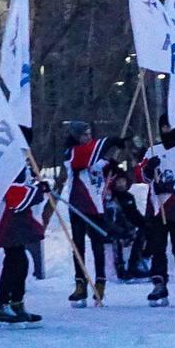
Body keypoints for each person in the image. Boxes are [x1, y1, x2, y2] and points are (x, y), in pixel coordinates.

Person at [136, 115, 175, 306]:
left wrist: (171, 186)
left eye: (170, 126)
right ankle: (159, 282)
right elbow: (139, 174)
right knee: (157, 246)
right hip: (156, 207)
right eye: (164, 127)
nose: (167, 131)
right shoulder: (153, 150)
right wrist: (148, 170)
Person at [60, 121, 122, 307]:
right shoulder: (71, 153)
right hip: (78, 204)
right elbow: (85, 157)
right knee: (78, 244)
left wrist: (114, 166)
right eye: (84, 135)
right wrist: (110, 141)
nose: (88, 138)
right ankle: (80, 284)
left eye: (89, 134)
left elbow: (106, 168)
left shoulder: (96, 154)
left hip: (96, 206)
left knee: (98, 244)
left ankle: (100, 281)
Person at [0, 169, 49, 324]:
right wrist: (38, 191)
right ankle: (2, 304)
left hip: (17, 220)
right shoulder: (10, 162)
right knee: (15, 261)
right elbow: (13, 195)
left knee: (20, 261)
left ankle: (15, 303)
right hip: (7, 220)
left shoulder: (20, 163)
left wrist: (38, 186)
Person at [106, 168, 149, 281]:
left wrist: (145, 223)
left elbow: (134, 215)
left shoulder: (129, 197)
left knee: (144, 232)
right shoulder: (110, 198)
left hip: (127, 229)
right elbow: (108, 219)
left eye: (123, 181)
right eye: (118, 181)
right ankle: (120, 269)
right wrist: (118, 230)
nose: (121, 184)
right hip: (111, 230)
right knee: (117, 238)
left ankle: (134, 265)